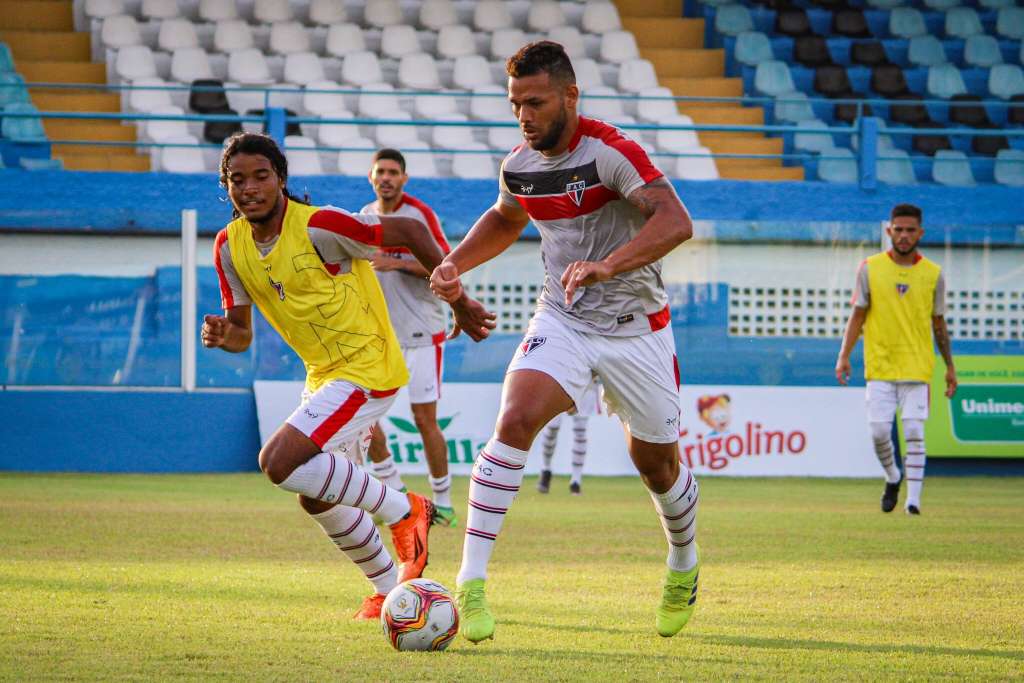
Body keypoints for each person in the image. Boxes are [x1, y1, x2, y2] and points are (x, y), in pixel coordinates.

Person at [429, 42, 701, 642]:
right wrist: (454, 264)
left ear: (570, 96)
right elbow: (507, 217)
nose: (523, 116)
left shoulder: (612, 153)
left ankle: (684, 560)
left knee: (656, 466)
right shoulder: (518, 165)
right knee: (514, 420)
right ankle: (470, 582)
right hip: (564, 318)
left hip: (637, 329)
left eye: (536, 102)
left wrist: (609, 265)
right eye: (515, 104)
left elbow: (676, 221)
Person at [202, 133, 494, 621]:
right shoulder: (229, 248)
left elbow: (410, 231)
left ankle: (406, 509)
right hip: (324, 375)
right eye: (237, 180)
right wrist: (221, 335)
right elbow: (241, 334)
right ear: (226, 187)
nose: (249, 188)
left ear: (281, 179)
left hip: (367, 365)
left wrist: (459, 301)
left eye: (261, 176)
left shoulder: (321, 225)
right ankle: (388, 590)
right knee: (315, 497)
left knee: (277, 462)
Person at [358, 148, 459, 528]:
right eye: (380, 171)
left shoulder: (419, 215)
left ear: (404, 178)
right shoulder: (364, 217)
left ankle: (444, 503)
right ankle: (397, 495)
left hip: (421, 335)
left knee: (424, 420)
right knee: (364, 420)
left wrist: (396, 262)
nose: (386, 178)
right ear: (371, 177)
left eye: (393, 172)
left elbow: (445, 264)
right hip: (379, 339)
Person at [836, 203, 956, 516]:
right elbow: (858, 315)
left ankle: (913, 501)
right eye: (898, 229)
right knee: (878, 433)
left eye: (910, 230)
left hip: (917, 367)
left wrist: (950, 367)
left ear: (920, 233)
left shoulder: (933, 274)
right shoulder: (870, 267)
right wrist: (844, 356)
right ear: (889, 231)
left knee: (914, 431)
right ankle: (892, 476)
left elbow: (939, 323)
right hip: (880, 366)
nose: (904, 235)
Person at [537, 378, 603, 495]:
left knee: (580, 430)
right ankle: (546, 469)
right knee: (552, 427)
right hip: (560, 378)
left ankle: (576, 481)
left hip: (586, 381)